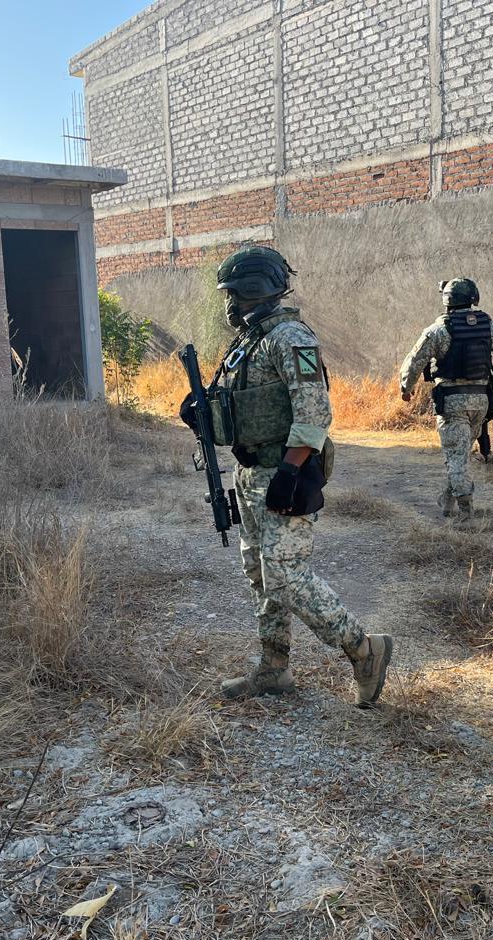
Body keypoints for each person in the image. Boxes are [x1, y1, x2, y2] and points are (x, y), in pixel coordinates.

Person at [180, 245, 393, 708]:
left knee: (287, 577)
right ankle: (273, 669)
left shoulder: (290, 337)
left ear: (251, 290)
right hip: (251, 471)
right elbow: (250, 408)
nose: (228, 304)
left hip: (284, 472)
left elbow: (315, 414)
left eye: (232, 294)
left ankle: (364, 648)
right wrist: (206, 413)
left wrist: (290, 472)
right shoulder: (251, 340)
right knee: (260, 575)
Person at [397, 278, 493, 518]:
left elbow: (414, 362)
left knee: (455, 456)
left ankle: (466, 513)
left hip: (452, 402)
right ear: (473, 297)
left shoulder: (438, 330)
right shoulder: (488, 326)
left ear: (447, 300)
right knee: (460, 454)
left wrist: (406, 388)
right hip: (481, 402)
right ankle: (447, 500)